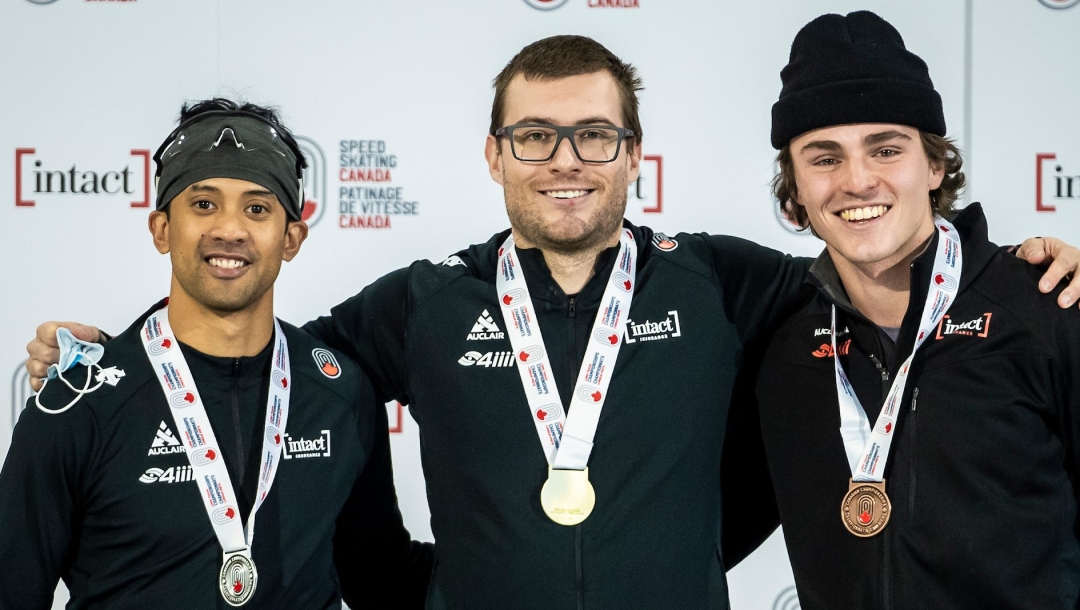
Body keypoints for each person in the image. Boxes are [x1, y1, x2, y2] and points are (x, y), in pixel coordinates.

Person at [22, 37, 1080, 610]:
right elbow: (267, 361)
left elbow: (886, 279)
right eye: (533, 135)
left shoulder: (728, 283)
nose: (563, 159)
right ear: (493, 156)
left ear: (633, 154)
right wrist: (107, 360)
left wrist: (1025, 267)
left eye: (592, 135)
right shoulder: (422, 301)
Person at [0, 99, 432, 609]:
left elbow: (379, 578)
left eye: (257, 208)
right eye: (203, 204)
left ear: (291, 238)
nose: (230, 229)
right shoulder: (79, 405)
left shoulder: (340, 393)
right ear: (162, 229)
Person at [757, 11, 1080, 609]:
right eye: (824, 157)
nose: (857, 181)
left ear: (935, 165)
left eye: (885, 149)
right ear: (795, 189)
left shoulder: (1048, 307)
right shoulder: (781, 346)